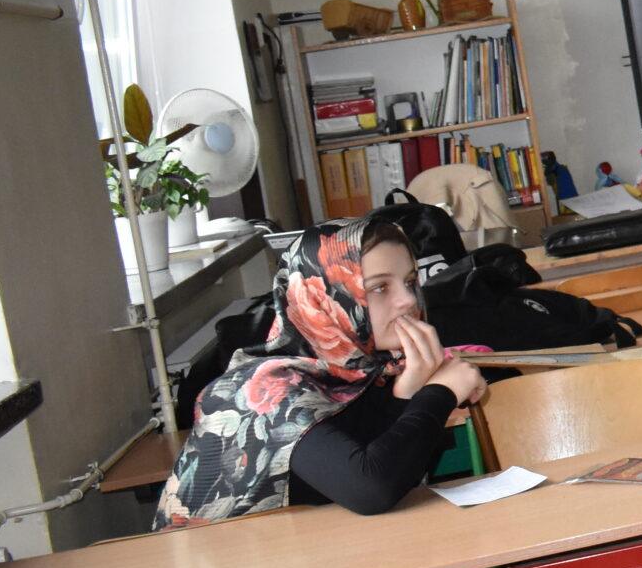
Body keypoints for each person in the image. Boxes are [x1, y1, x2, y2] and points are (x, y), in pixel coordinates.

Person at [156, 216, 487, 529]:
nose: (407, 300)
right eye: (379, 288)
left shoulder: (362, 373)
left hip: (296, 554)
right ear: (322, 298)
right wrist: (439, 393)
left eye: (410, 282)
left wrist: (409, 391)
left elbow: (395, 469)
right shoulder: (263, 387)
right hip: (221, 566)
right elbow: (371, 488)